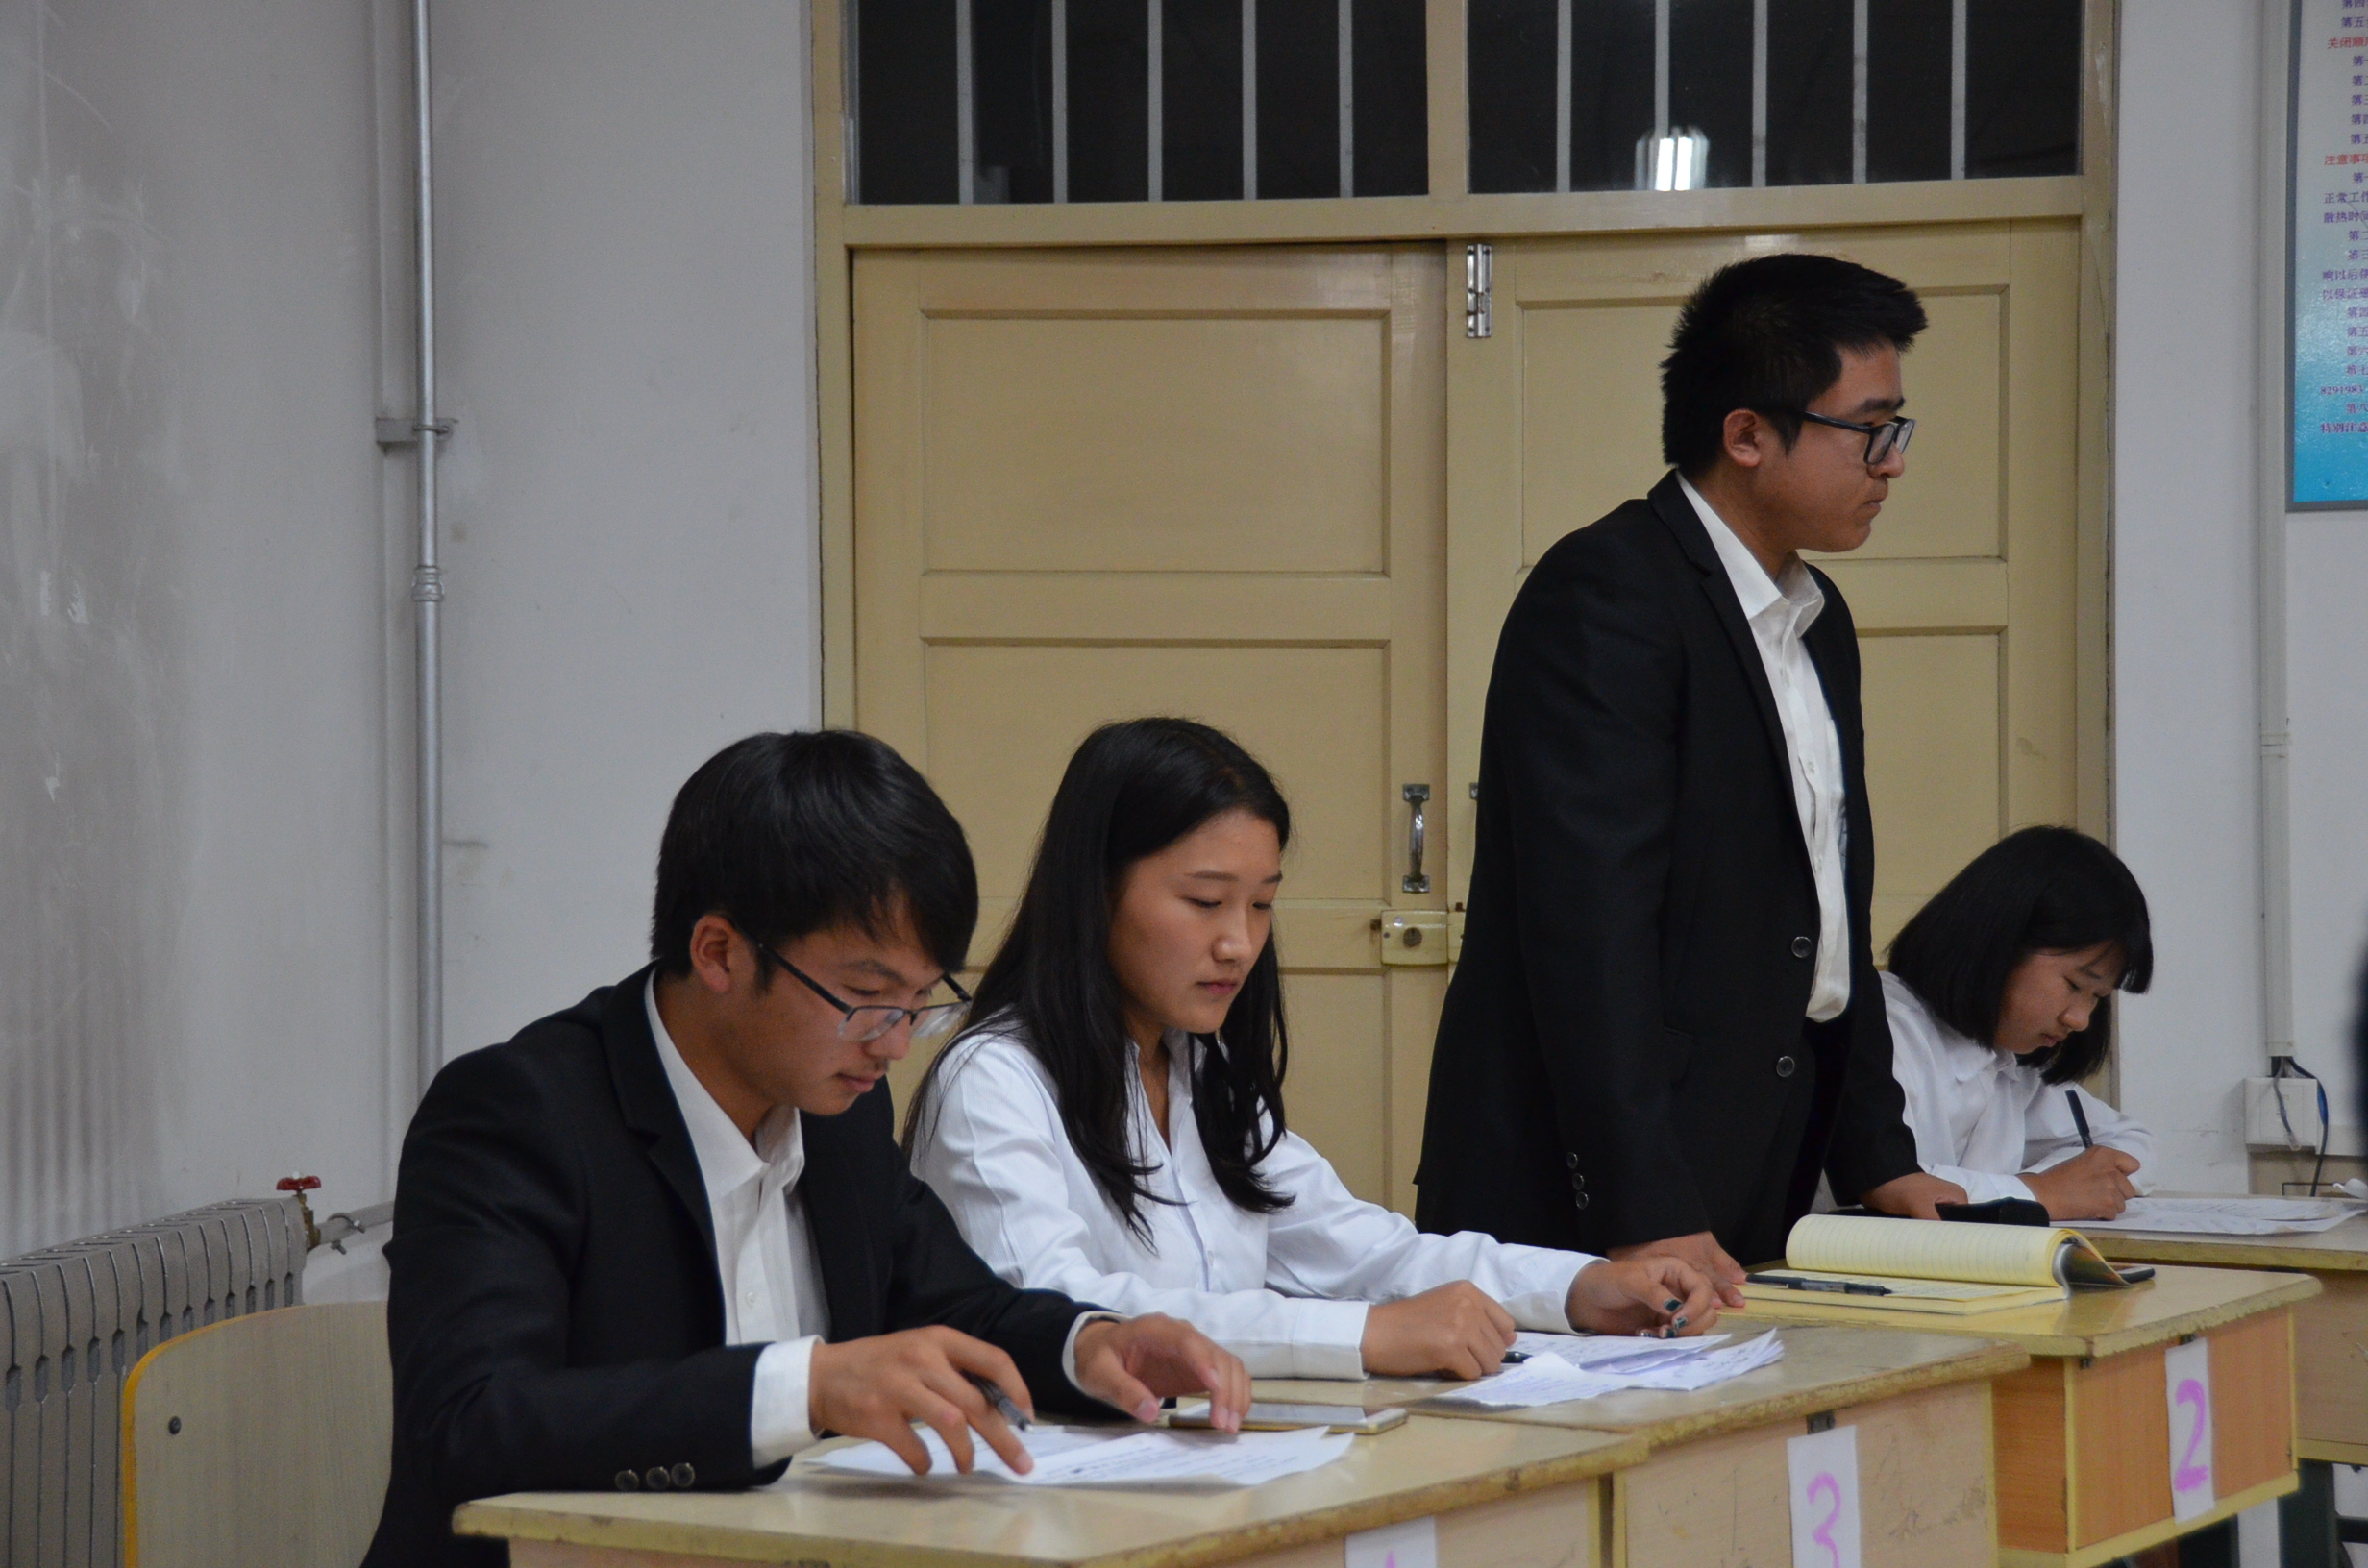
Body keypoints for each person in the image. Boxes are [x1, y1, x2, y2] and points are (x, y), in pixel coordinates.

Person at [364, 732, 1248, 1568]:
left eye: (917, 1003)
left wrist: (1089, 1344)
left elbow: (959, 1308)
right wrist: (806, 1387)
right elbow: (471, 1422)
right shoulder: (520, 1114)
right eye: (867, 996)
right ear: (720, 953)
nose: (894, 1043)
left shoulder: (839, 1112)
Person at [1415, 253, 1963, 1286]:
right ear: (1747, 434)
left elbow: (1828, 913)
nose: (1891, 464)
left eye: (1897, 429)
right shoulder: (1609, 594)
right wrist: (1646, 1205)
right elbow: (1589, 927)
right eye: (1869, 429)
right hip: (1593, 1194)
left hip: (1752, 1159)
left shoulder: (1816, 619)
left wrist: (1879, 1158)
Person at [903, 718, 1721, 1384]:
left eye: (1261, 905)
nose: (1238, 943)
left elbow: (1363, 1251)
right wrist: (1363, 1336)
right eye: (1205, 901)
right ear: (1095, 893)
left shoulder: (1200, 1066)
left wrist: (1578, 1286)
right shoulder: (994, 1081)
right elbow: (1064, 1314)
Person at [1880, 826, 2156, 1220]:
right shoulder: (1885, 1030)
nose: (2080, 1020)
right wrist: (2039, 1193)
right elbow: (1890, 1186)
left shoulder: (2009, 1057)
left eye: (2097, 997)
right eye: (2074, 985)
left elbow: (2133, 1144)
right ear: (1999, 941)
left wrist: (2067, 1182)